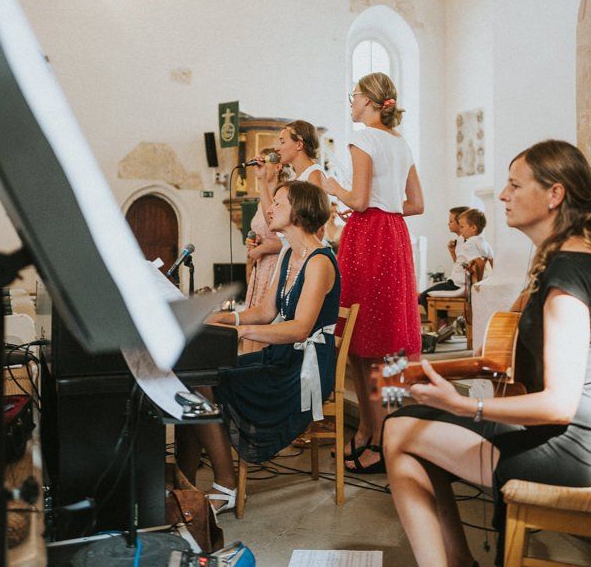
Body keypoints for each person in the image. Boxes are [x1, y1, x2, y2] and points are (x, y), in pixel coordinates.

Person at [383, 140, 591, 567]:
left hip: (574, 450)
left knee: (398, 433)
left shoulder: (568, 274)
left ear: (554, 195)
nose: (502, 195)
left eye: (515, 185)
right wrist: (434, 374)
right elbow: (509, 343)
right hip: (567, 438)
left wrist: (464, 404)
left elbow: (560, 404)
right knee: (405, 423)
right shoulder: (562, 259)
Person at [174, 181, 339, 512]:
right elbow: (266, 311)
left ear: (300, 211)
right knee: (193, 376)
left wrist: (241, 332)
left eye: (279, 203)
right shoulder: (288, 253)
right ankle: (183, 485)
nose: (270, 208)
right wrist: (220, 318)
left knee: (201, 381)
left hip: (302, 371)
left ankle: (226, 485)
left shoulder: (320, 262)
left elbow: (300, 328)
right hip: (281, 358)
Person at [322, 71, 424, 474]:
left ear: (368, 100)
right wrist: (384, 207)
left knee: (364, 344)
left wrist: (334, 189)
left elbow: (360, 200)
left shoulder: (363, 139)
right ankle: (372, 431)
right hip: (394, 235)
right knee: (382, 344)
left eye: (354, 96)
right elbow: (416, 204)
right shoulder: (401, 142)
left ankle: (379, 440)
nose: (351, 103)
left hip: (368, 238)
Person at [241, 147, 284, 354]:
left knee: (265, 327)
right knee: (252, 325)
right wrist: (254, 245)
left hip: (275, 266)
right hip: (261, 268)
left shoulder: (282, 196)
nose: (261, 167)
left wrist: (264, 248)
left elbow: (289, 240)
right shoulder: (262, 199)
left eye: (265, 163)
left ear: (278, 166)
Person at [419, 207, 494, 317]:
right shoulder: (482, 242)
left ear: (472, 227)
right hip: (462, 281)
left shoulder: (469, 243)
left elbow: (479, 262)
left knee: (423, 296)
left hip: (458, 283)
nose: (448, 224)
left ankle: (442, 324)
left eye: (452, 221)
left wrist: (477, 283)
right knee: (424, 295)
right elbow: (462, 263)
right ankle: (444, 323)